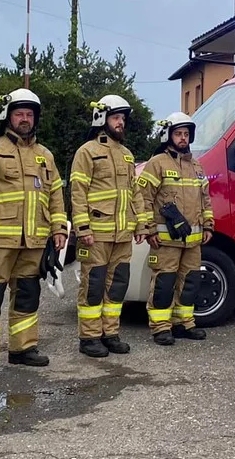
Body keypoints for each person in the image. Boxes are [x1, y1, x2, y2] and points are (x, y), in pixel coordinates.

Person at [0, 89, 67, 375]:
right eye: (19, 114)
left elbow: (56, 194)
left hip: (33, 240)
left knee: (27, 295)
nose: (24, 119)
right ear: (8, 116)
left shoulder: (45, 156)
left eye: (29, 115)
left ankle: (23, 349)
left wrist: (58, 227)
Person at [133, 112, 216, 345]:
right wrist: (149, 229)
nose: (183, 138)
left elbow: (205, 200)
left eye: (186, 134)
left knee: (190, 281)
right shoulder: (157, 163)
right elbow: (143, 198)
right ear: (168, 135)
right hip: (165, 240)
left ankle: (184, 323)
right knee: (164, 283)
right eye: (178, 134)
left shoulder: (197, 167)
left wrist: (208, 225)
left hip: (193, 240)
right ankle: (160, 327)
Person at [69, 94, 140, 358]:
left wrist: (141, 225)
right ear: (101, 118)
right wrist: (82, 228)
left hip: (122, 234)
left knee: (117, 285)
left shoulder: (127, 155)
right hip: (96, 233)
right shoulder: (87, 152)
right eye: (116, 118)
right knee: (94, 285)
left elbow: (136, 193)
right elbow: (78, 192)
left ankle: (110, 334)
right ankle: (89, 338)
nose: (121, 123)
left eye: (123, 119)